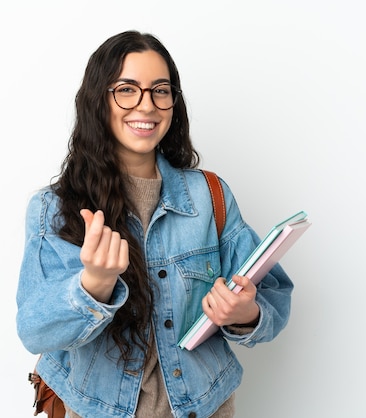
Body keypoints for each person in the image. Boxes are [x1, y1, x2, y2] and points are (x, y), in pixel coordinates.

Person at [16, 30, 294, 418]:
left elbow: (274, 297)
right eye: (127, 90)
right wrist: (94, 284)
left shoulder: (209, 196)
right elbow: (35, 331)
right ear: (99, 100)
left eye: (160, 91)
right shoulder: (55, 208)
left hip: (206, 406)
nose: (146, 106)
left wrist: (244, 313)